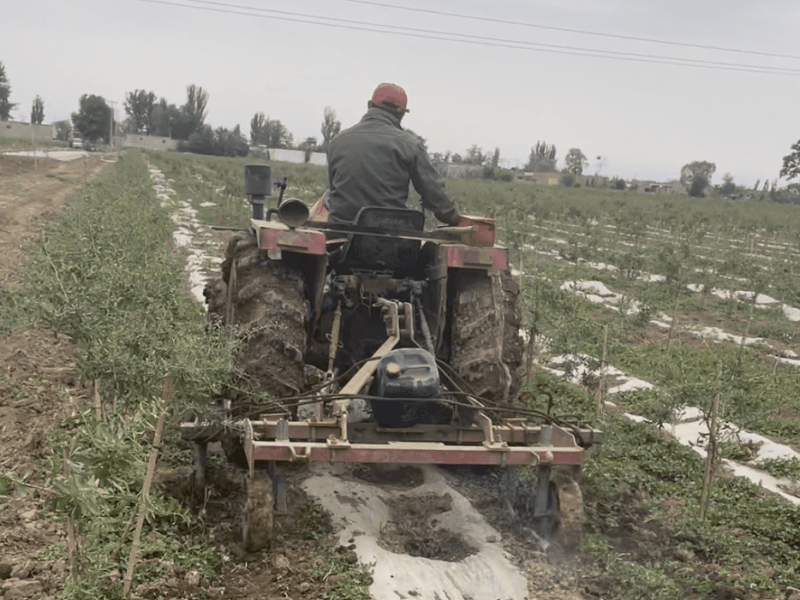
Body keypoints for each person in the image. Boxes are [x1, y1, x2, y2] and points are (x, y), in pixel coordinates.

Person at [325, 83, 462, 227]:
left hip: (338, 238)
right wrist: (455, 219)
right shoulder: (410, 145)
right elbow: (434, 195)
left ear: (369, 105)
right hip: (388, 241)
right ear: (402, 113)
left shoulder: (337, 142)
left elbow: (333, 188)